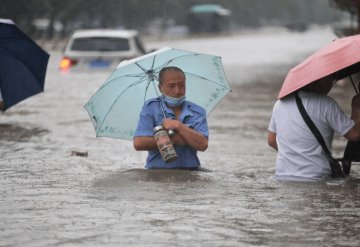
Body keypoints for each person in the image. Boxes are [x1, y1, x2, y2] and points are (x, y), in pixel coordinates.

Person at [268, 74, 360, 181]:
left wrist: (296, 155)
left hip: (282, 176)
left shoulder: (279, 104)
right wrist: (356, 107)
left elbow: (271, 140)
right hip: (316, 177)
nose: (331, 85)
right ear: (319, 82)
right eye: (330, 80)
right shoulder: (325, 104)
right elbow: (354, 134)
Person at [133, 66, 209, 170]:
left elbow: (203, 144)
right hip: (157, 172)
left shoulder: (197, 111)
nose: (177, 91)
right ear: (160, 88)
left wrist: (178, 126)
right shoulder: (151, 108)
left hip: (191, 172)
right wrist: (173, 139)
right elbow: (139, 143)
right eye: (171, 86)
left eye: (181, 85)